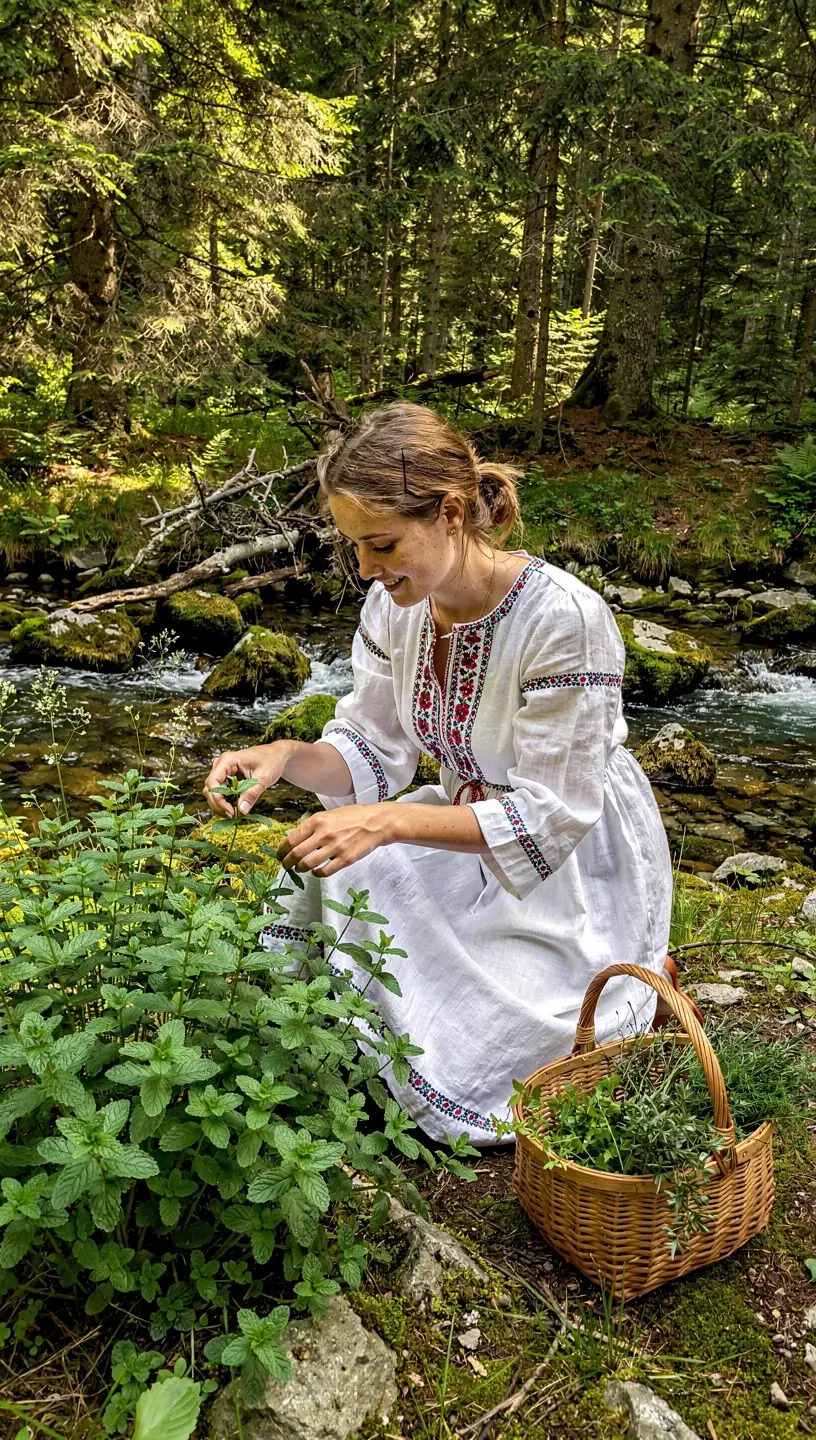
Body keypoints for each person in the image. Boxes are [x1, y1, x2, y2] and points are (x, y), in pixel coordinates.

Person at [203, 402, 673, 1145]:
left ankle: (625, 990)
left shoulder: (565, 620)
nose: (366, 568)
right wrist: (288, 757)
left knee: (497, 1031)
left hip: (575, 870)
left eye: (382, 543)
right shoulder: (395, 608)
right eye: (355, 547)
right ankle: (322, 1050)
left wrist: (386, 821)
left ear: (451, 511)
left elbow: (555, 814)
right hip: (465, 825)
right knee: (332, 865)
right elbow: (370, 750)